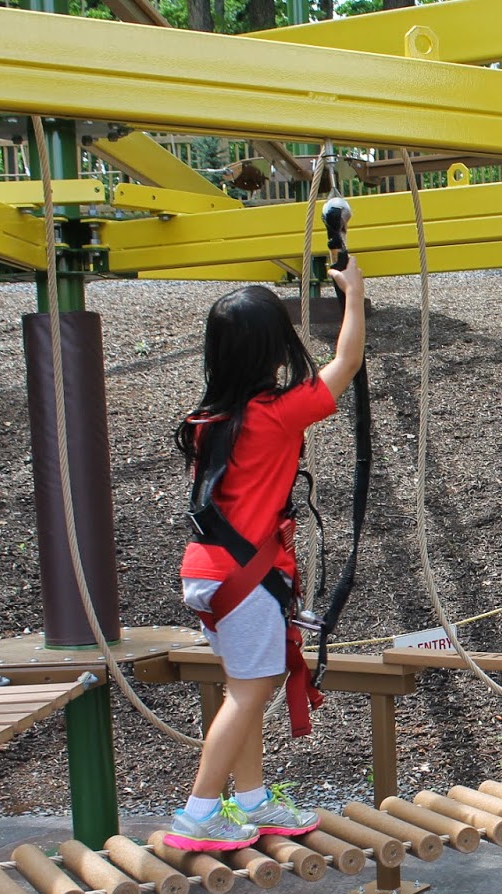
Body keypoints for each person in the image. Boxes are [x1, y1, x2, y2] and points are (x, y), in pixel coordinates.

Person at [164, 259, 366, 852]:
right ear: (271, 351)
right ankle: (199, 813)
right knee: (250, 692)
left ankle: (250, 799)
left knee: (245, 685)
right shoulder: (275, 416)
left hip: (208, 572)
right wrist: (353, 294)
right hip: (245, 579)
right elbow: (346, 363)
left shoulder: (209, 419)